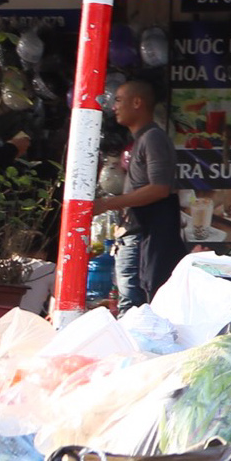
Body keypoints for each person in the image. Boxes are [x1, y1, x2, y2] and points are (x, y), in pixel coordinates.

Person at [92, 78, 184, 306]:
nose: (114, 107)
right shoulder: (142, 139)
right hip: (133, 233)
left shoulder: (153, 138)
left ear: (137, 103)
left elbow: (160, 189)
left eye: (119, 100)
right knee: (128, 300)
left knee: (132, 304)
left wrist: (106, 204)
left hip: (142, 234)